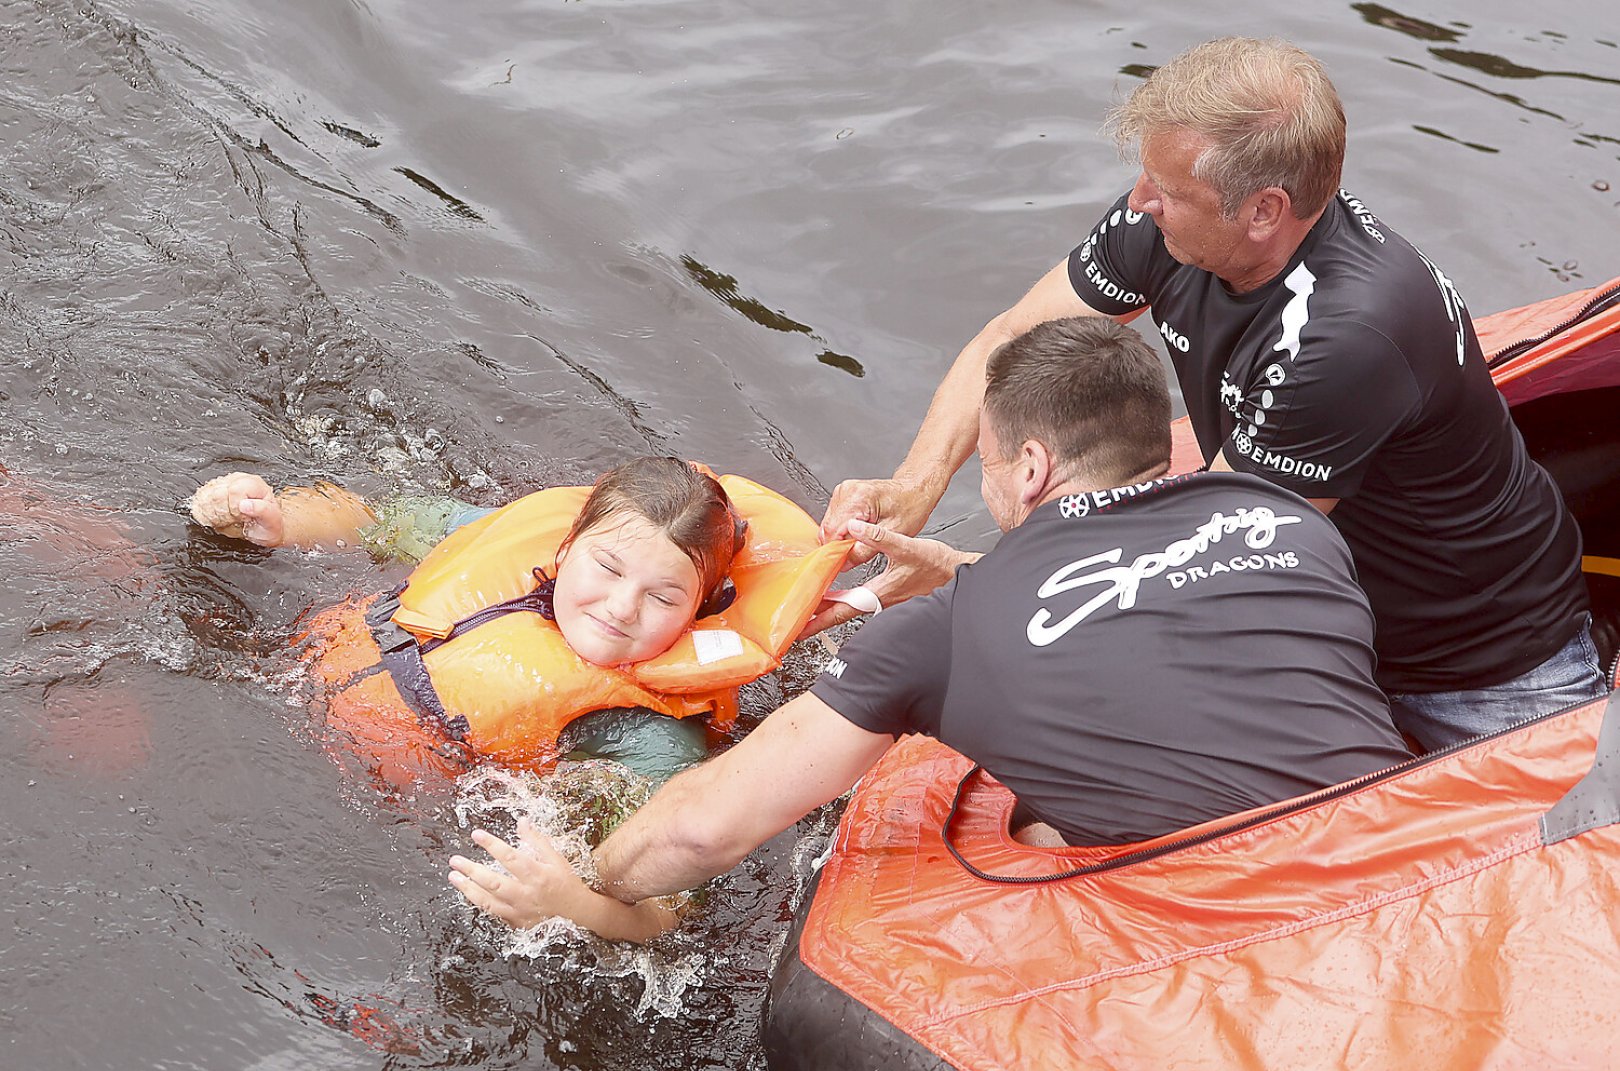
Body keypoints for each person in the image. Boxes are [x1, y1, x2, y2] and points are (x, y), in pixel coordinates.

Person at [447, 316, 1414, 941]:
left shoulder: (941, 637)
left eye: (987, 462)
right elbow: (1154, 602)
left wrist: (585, 882)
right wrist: (961, 575)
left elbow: (699, 832)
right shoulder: (1285, 520)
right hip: (1426, 851)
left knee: (1029, 821)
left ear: (1030, 468)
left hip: (1266, 932)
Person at [811, 37, 1601, 750]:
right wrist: (915, 486)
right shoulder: (1162, 222)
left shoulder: (1348, 335)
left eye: (1167, 188)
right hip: (1332, 627)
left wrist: (965, 576)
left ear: (1264, 210)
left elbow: (1213, 553)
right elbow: (1007, 341)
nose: (1140, 201)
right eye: (1146, 175)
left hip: (1483, 664)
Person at [190, 456, 841, 783]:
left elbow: (665, 879)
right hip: (262, 676)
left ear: (699, 611)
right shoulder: (500, 541)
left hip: (360, 795)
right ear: (566, 546)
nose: (620, 607)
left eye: (664, 597)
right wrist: (272, 520)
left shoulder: (648, 735)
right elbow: (371, 519)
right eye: (607, 568)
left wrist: (569, 898)